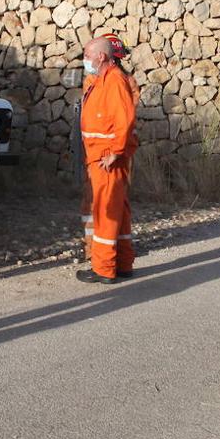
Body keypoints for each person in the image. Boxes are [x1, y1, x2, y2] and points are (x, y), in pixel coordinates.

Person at [77, 35, 139, 284]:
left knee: (105, 212)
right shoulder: (101, 80)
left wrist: (115, 150)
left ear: (101, 56)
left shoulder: (113, 81)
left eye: (88, 55)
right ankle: (122, 263)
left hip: (106, 157)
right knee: (118, 211)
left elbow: (124, 119)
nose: (85, 60)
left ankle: (103, 268)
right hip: (102, 155)